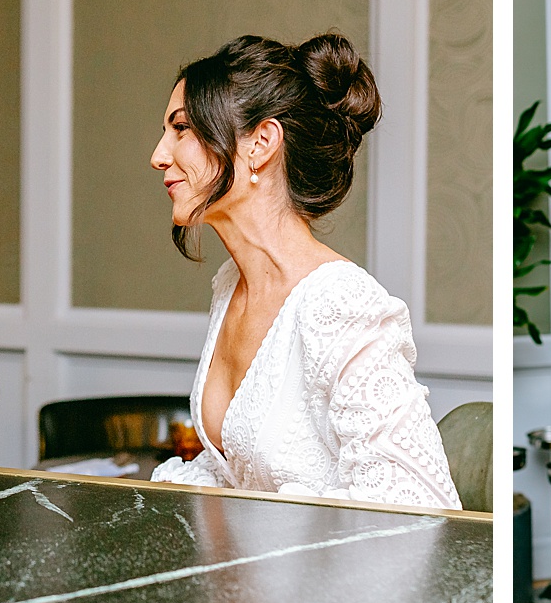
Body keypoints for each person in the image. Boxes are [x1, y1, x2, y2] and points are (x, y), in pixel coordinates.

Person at [147, 33, 461, 508]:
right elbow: (237, 472)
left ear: (261, 144)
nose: (159, 155)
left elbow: (418, 506)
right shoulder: (231, 285)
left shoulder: (340, 303)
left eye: (182, 129)